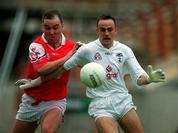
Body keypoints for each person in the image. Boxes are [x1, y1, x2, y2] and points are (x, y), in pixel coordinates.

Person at [16, 15, 166, 133]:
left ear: (115, 30)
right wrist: (34, 82)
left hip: (123, 101)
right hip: (100, 105)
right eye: (103, 29)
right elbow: (60, 71)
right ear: (97, 31)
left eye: (109, 29)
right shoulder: (86, 50)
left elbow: (138, 78)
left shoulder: (125, 51)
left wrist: (149, 79)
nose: (106, 33)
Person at [12, 9, 81, 133]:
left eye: (55, 27)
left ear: (62, 26)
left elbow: (83, 65)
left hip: (55, 101)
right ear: (42, 27)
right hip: (31, 100)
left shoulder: (72, 46)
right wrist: (66, 57)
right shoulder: (36, 46)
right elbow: (41, 70)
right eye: (47, 28)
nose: (52, 32)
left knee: (48, 130)